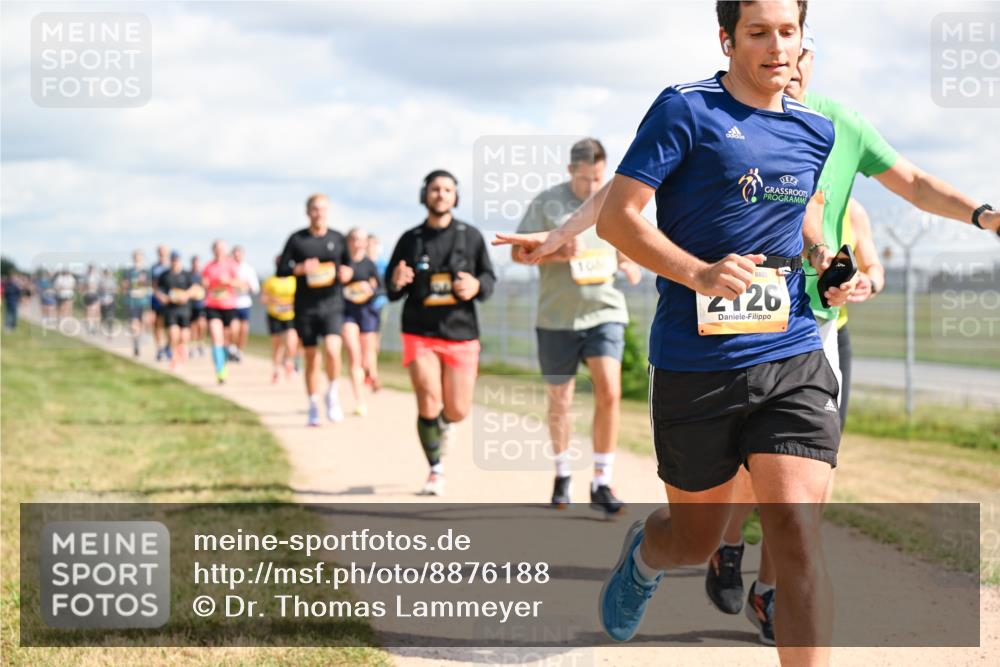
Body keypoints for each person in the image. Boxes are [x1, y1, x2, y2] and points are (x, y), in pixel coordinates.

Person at [705, 22, 1000, 645]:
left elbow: (914, 184)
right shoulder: (717, 111)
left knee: (802, 478)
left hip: (816, 323)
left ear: (808, 58)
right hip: (743, 317)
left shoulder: (841, 123)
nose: (786, 64)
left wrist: (983, 215)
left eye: (797, 51)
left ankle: (769, 592)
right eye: (769, 46)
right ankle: (723, 543)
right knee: (743, 467)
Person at [589, 2, 856, 664]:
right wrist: (698, 272)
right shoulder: (686, 108)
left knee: (795, 528)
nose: (775, 46)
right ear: (727, 39)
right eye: (758, 32)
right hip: (696, 359)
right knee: (696, 538)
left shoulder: (816, 130)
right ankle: (648, 555)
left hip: (791, 348)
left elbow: (795, 219)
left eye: (787, 32)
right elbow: (619, 220)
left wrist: (826, 262)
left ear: (802, 39)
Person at [511, 137, 641, 515]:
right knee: (561, 402)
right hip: (556, 317)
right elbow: (517, 253)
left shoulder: (612, 199)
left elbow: (628, 246)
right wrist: (555, 250)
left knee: (610, 392)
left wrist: (629, 264)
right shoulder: (547, 202)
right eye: (585, 180)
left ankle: (601, 480)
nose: (592, 187)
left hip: (605, 312)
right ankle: (563, 472)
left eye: (598, 178)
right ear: (571, 172)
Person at [386, 170, 496, 496]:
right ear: (425, 195)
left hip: (461, 332)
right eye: (435, 189)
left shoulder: (471, 236)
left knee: (458, 409)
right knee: (428, 398)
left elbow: (488, 281)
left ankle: (443, 425)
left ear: (455, 197)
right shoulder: (410, 239)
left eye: (447, 189)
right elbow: (391, 290)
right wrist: (396, 279)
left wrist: (476, 285)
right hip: (419, 330)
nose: (440, 194)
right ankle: (435, 469)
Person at [276, 194, 353, 426]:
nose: (319, 213)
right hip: (306, 307)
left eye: (322, 209)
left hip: (332, 304)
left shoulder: (338, 238)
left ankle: (332, 392)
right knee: (311, 358)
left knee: (332, 350)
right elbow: (281, 269)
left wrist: (347, 274)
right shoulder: (297, 239)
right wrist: (299, 268)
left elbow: (349, 266)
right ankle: (312, 404)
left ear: (328, 211)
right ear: (307, 212)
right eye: (314, 209)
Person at [342, 227, 381, 416]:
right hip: (346, 312)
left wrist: (370, 289)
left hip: (366, 312)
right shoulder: (343, 263)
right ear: (348, 241)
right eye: (355, 239)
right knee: (353, 354)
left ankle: (371, 374)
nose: (358, 243)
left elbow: (380, 288)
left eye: (362, 240)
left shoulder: (369, 265)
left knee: (367, 356)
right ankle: (359, 401)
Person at [202, 240, 245, 383]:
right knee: (216, 337)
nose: (220, 251)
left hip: (229, 306)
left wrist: (229, 282)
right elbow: (204, 284)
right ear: (213, 250)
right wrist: (206, 284)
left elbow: (241, 285)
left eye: (222, 249)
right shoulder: (208, 267)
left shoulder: (231, 265)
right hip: (213, 305)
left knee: (227, 339)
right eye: (217, 249)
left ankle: (224, 363)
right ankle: (220, 370)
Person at [261, 255, 299, 383]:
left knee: (291, 342)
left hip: (290, 316)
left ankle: (289, 362)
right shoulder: (270, 281)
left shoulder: (294, 280)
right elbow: (263, 299)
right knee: (277, 346)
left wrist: (291, 303)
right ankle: (276, 369)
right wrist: (274, 300)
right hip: (274, 316)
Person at [155, 251, 195, 370]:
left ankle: (180, 356)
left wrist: (186, 295)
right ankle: (174, 358)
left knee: (183, 337)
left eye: (176, 259)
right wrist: (162, 297)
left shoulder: (187, 274)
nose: (174, 262)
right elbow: (157, 289)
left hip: (184, 309)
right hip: (170, 309)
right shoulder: (164, 275)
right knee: (173, 334)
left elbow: (195, 288)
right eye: (173, 259)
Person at [365, 234, 388, 391]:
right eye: (371, 243)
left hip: (379, 305)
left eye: (375, 244)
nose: (373, 247)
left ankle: (370, 372)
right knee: (367, 342)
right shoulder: (361, 263)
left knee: (374, 342)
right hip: (361, 307)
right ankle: (371, 375)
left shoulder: (383, 264)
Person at [230, 245, 260, 363]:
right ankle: (231, 347)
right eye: (235, 254)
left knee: (244, 330)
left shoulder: (248, 269)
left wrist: (245, 286)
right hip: (231, 303)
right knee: (233, 329)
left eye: (239, 254)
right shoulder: (229, 268)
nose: (237, 256)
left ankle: (239, 350)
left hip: (244, 303)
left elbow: (255, 288)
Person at [122, 251, 153, 357]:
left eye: (139, 257)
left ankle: (139, 337)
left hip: (143, 301)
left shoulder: (146, 271)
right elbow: (124, 286)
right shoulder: (128, 272)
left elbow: (150, 285)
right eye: (136, 257)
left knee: (142, 322)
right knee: (134, 324)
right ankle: (136, 344)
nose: (137, 259)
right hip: (132, 301)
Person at [150, 245, 171, 361]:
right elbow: (153, 285)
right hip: (157, 300)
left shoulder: (171, 266)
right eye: (160, 252)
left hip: (170, 300)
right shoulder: (154, 268)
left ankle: (168, 346)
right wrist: (159, 296)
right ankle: (159, 348)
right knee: (157, 324)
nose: (162, 253)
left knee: (169, 325)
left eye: (164, 251)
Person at [189, 255, 208, 357]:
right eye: (194, 263)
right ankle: (193, 345)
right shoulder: (188, 275)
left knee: (202, 324)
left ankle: (201, 343)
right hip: (191, 304)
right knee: (193, 326)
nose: (196, 265)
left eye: (197, 263)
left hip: (202, 304)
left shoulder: (203, 275)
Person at [97, 267, 118, 336]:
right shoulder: (101, 281)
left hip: (111, 300)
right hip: (103, 300)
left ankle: (110, 329)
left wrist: (112, 290)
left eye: (108, 273)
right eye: (106, 273)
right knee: (103, 315)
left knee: (110, 315)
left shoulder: (113, 280)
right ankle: (102, 328)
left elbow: (116, 290)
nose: (107, 274)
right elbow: (99, 290)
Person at [81, 264, 101, 335]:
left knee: (95, 311)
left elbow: (99, 286)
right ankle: (90, 326)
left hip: (95, 294)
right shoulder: (86, 277)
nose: (91, 270)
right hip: (89, 294)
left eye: (92, 269)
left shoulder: (97, 276)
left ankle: (94, 326)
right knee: (89, 310)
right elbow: (84, 285)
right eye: (91, 269)